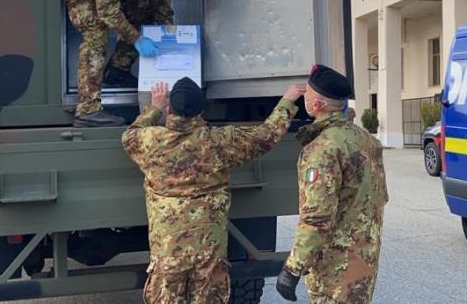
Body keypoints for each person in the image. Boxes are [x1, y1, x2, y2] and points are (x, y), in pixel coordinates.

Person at [123, 77, 305, 303]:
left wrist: (154, 108)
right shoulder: (219, 141)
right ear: (201, 109)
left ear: (170, 107)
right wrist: (287, 101)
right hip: (208, 254)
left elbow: (130, 135)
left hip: (168, 254)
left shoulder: (151, 141)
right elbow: (265, 136)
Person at [276, 65, 388, 304]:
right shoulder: (367, 139)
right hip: (364, 259)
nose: (303, 98)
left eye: (306, 94)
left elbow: (317, 217)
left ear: (316, 105)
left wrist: (293, 267)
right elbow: (379, 198)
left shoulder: (322, 149)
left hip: (337, 268)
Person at [61, 0, 187, 127]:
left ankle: (117, 71)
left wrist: (169, 35)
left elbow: (161, 6)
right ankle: (88, 109)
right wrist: (137, 39)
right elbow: (107, 11)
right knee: (96, 34)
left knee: (143, 13)